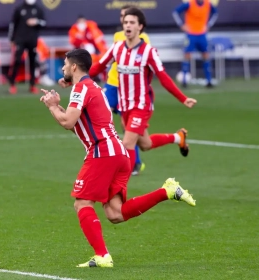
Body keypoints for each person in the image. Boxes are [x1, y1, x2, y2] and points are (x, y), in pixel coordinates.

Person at [42, 48, 196, 268]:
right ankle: (167, 191)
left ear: (74, 66)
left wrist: (52, 106)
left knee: (82, 202)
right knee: (115, 213)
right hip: (119, 153)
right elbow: (76, 124)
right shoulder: (92, 87)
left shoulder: (80, 88)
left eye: (65, 64)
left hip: (103, 152)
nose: (63, 68)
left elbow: (67, 122)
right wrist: (57, 106)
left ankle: (102, 256)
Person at [61, 7, 198, 174]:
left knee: (126, 144)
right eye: (126, 22)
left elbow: (163, 77)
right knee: (145, 144)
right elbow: (98, 67)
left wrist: (183, 98)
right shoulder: (117, 48)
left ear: (140, 27)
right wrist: (73, 79)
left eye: (132, 22)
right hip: (124, 105)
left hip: (141, 106)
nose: (128, 25)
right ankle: (178, 138)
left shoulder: (148, 51)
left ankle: (121, 192)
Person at [104, 5, 151, 176]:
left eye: (129, 19)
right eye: (123, 18)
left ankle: (134, 162)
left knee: (128, 127)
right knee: (101, 114)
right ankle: (107, 154)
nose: (125, 22)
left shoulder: (143, 38)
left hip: (129, 88)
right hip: (112, 83)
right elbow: (110, 58)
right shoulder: (117, 36)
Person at [172, 0, 218, 88]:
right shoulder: (190, 4)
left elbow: (215, 13)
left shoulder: (207, 4)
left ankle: (208, 80)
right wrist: (182, 25)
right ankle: (184, 81)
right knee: (187, 55)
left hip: (202, 34)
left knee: (205, 55)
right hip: (191, 35)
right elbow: (175, 12)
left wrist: (208, 25)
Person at [8, 0, 46, 95]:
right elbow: (13, 24)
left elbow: (44, 23)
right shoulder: (20, 8)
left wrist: (36, 21)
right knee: (17, 60)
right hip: (20, 39)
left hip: (32, 39)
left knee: (33, 62)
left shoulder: (38, 9)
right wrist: (12, 39)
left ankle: (32, 85)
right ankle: (12, 84)